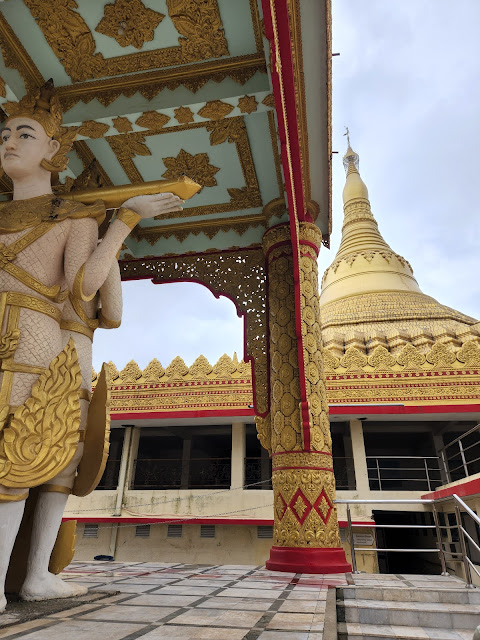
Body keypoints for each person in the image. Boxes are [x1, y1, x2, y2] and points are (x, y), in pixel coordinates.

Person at [0, 81, 183, 612]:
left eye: (24, 134)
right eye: (5, 133)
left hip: (36, 337)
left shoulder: (76, 218)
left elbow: (83, 289)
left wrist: (122, 222)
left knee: (19, 456)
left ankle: (26, 577)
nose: (9, 142)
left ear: (53, 149)